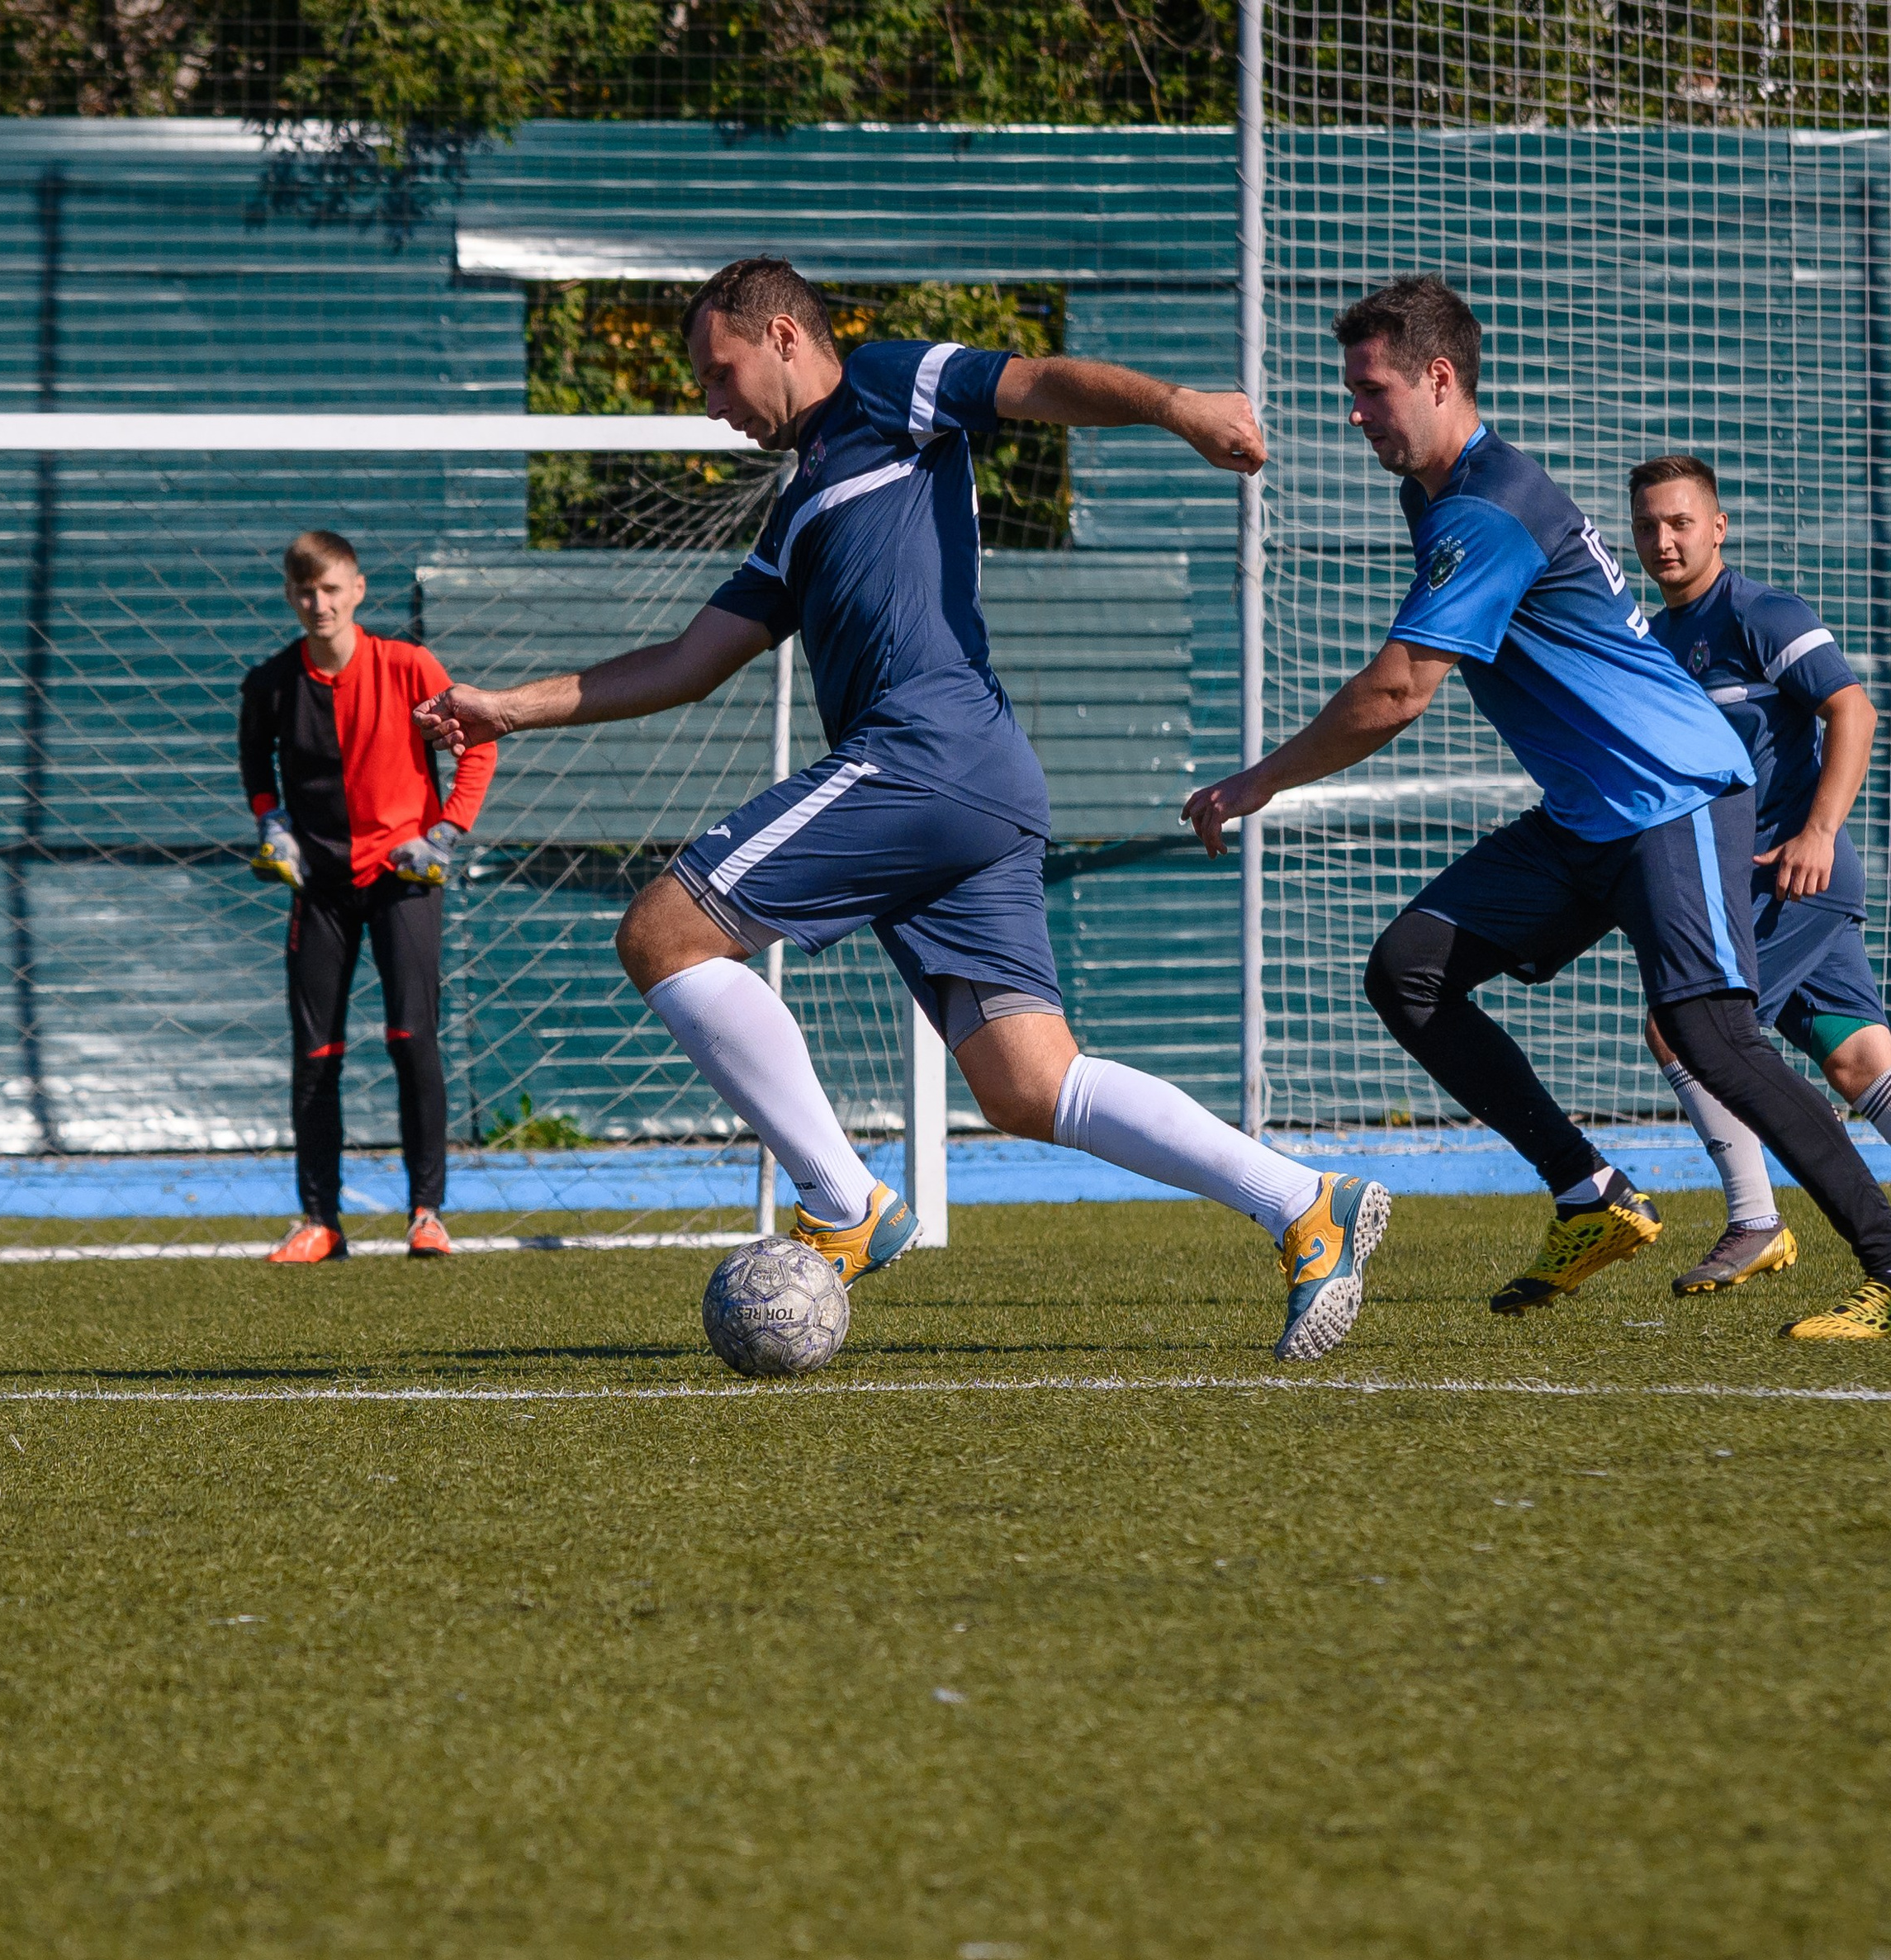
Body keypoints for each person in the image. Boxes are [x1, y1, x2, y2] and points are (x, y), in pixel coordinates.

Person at [415, 254, 1388, 1361]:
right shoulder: (797, 510)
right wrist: (506, 710)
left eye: (719, 370)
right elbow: (689, 664)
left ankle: (844, 1204)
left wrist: (1177, 409)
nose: (708, 400)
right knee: (1030, 1088)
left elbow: (1035, 382)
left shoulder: (882, 384)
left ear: (784, 335)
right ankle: (1305, 1204)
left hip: (925, 757)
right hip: (977, 783)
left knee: (662, 933)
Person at [1185, 273, 1891, 1340]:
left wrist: (1256, 783)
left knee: (1714, 1035)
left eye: (1370, 389)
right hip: (1588, 814)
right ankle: (1588, 1195)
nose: (1352, 410)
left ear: (1438, 378)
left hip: (1672, 793)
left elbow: (1399, 690)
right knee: (1408, 969)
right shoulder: (1434, 494)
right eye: (1350, 390)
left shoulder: (1486, 504)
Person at [1629, 454, 1891, 1295]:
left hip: (1792, 873)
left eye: (1679, 522)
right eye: (1646, 526)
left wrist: (1818, 831)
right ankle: (1758, 1222)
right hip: (1731, 883)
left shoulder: (1761, 612)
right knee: (1857, 1061)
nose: (1663, 541)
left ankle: (1754, 1221)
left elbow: (1852, 709)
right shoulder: (1651, 641)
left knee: (1681, 1025)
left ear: (1717, 527)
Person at [239, 529, 496, 1263]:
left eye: (330, 589)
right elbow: (255, 757)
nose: (318, 604)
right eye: (303, 592)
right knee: (316, 1050)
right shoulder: (272, 683)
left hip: (402, 879)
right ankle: (321, 1220)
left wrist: (446, 831)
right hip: (318, 886)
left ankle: (427, 1214)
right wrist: (271, 819)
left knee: (411, 1038)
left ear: (357, 590)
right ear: (290, 597)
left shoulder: (409, 666)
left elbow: (477, 742)